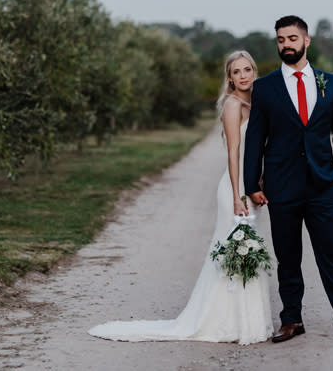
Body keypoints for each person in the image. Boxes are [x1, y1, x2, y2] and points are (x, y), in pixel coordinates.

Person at [88, 50, 273, 345]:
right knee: (234, 252)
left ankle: (248, 321)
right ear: (229, 78)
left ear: (254, 71)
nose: (243, 76)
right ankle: (226, 323)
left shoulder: (256, 103)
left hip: (250, 187)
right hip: (235, 189)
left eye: (247, 69)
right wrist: (238, 195)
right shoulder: (233, 105)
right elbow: (233, 152)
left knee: (248, 251)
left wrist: (259, 181)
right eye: (236, 71)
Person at [244, 15, 333, 342]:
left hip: (323, 185)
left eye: (292, 38)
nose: (286, 45)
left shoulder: (330, 83)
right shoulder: (265, 88)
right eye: (281, 39)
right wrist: (251, 184)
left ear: (306, 41)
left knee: (332, 252)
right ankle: (291, 320)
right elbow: (255, 138)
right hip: (282, 185)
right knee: (288, 256)